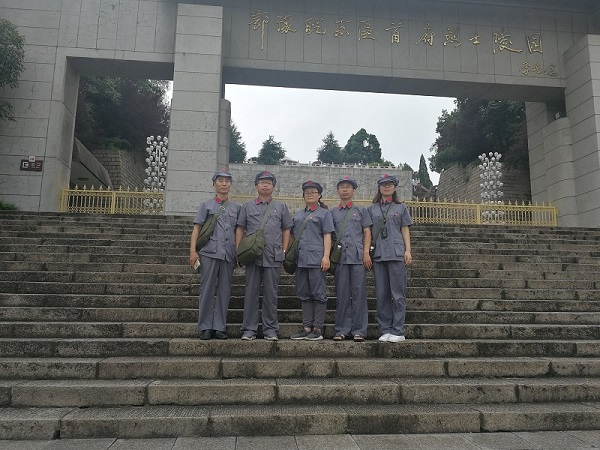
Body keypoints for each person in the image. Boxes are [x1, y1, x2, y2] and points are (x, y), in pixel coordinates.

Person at [236, 171, 293, 341]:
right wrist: (239, 250)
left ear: (273, 187)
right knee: (251, 292)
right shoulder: (247, 206)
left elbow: (286, 229)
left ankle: (270, 329)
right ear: (256, 186)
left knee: (271, 293)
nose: (265, 185)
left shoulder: (281, 207)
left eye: (269, 183)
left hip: (273, 255)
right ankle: (249, 329)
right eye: (262, 182)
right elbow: (240, 228)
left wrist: (284, 251)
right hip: (252, 255)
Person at [189, 169, 241, 340]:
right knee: (207, 289)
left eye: (227, 181)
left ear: (230, 185)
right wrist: (193, 251)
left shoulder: (237, 208)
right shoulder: (206, 205)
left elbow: (239, 231)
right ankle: (205, 326)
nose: (224, 184)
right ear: (214, 184)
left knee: (224, 290)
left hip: (228, 254)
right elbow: (197, 228)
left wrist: (238, 252)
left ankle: (219, 327)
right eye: (220, 181)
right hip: (209, 252)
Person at [368, 174, 413, 343]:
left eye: (389, 184)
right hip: (378, 254)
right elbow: (367, 232)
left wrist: (408, 250)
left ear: (394, 188)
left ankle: (398, 330)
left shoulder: (400, 208)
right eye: (383, 184)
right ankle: (385, 328)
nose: (386, 187)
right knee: (382, 293)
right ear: (379, 188)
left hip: (396, 252)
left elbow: (405, 229)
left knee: (398, 293)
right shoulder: (372, 209)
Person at [289, 180, 334, 341]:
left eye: (313, 192)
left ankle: (318, 329)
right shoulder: (298, 215)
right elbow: (292, 236)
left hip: (316, 259)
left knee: (318, 294)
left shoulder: (324, 214)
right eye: (307, 192)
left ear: (319, 195)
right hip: (301, 260)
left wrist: (326, 256)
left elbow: (327, 235)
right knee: (304, 293)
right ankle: (307, 327)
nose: (309, 194)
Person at [331, 176, 373, 342]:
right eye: (342, 187)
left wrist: (366, 253)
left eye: (348, 187)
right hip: (340, 258)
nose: (345, 189)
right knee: (342, 294)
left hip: (357, 257)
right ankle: (342, 329)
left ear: (353, 190)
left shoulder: (361, 211)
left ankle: (359, 330)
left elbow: (367, 233)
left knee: (359, 294)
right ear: (338, 191)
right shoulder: (332, 213)